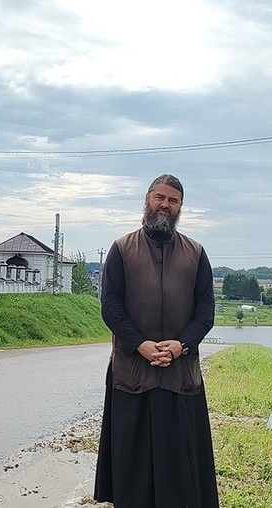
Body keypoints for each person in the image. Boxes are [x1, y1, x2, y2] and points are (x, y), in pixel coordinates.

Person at [94, 174, 219, 508]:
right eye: (159, 197)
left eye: (173, 200)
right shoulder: (122, 249)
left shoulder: (195, 253)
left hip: (180, 374)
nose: (165, 204)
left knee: (180, 468)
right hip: (133, 372)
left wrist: (181, 345)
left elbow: (205, 311)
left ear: (180, 207)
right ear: (147, 199)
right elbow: (111, 307)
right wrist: (140, 344)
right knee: (133, 469)